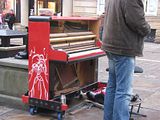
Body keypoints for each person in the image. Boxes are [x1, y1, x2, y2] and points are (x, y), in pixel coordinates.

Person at [102, 0, 151, 120]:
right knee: (123, 91)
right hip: (123, 47)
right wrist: (147, 29)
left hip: (111, 44)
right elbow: (137, 22)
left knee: (112, 87)